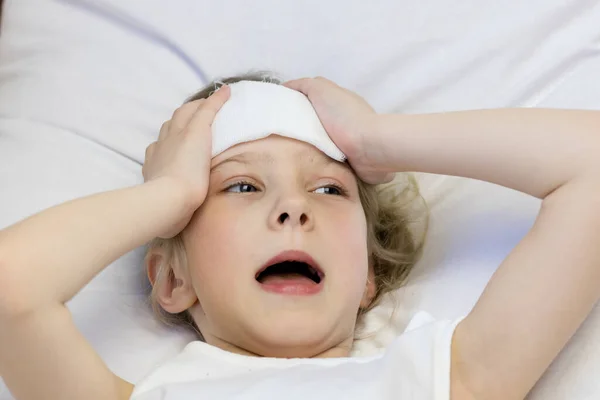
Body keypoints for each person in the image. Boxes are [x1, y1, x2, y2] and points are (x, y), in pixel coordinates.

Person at [0, 72, 599, 400]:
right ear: (173, 279)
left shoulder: (445, 379)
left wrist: (375, 140)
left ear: (368, 275)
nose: (292, 209)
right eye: (240, 188)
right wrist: (169, 196)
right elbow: (12, 287)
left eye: (328, 190)